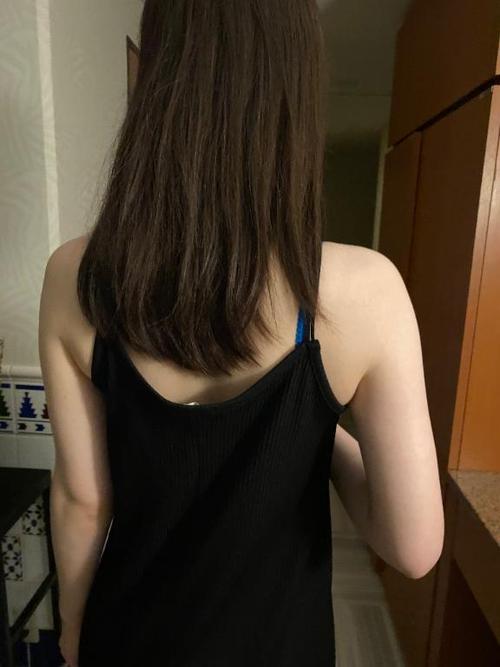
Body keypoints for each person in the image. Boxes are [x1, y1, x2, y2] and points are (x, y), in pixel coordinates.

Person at [38, 1, 444, 665]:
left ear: (155, 75)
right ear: (295, 89)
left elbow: (84, 500)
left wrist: (74, 627)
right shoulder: (364, 291)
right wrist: (320, 434)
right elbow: (413, 546)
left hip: (129, 639)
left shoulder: (75, 276)